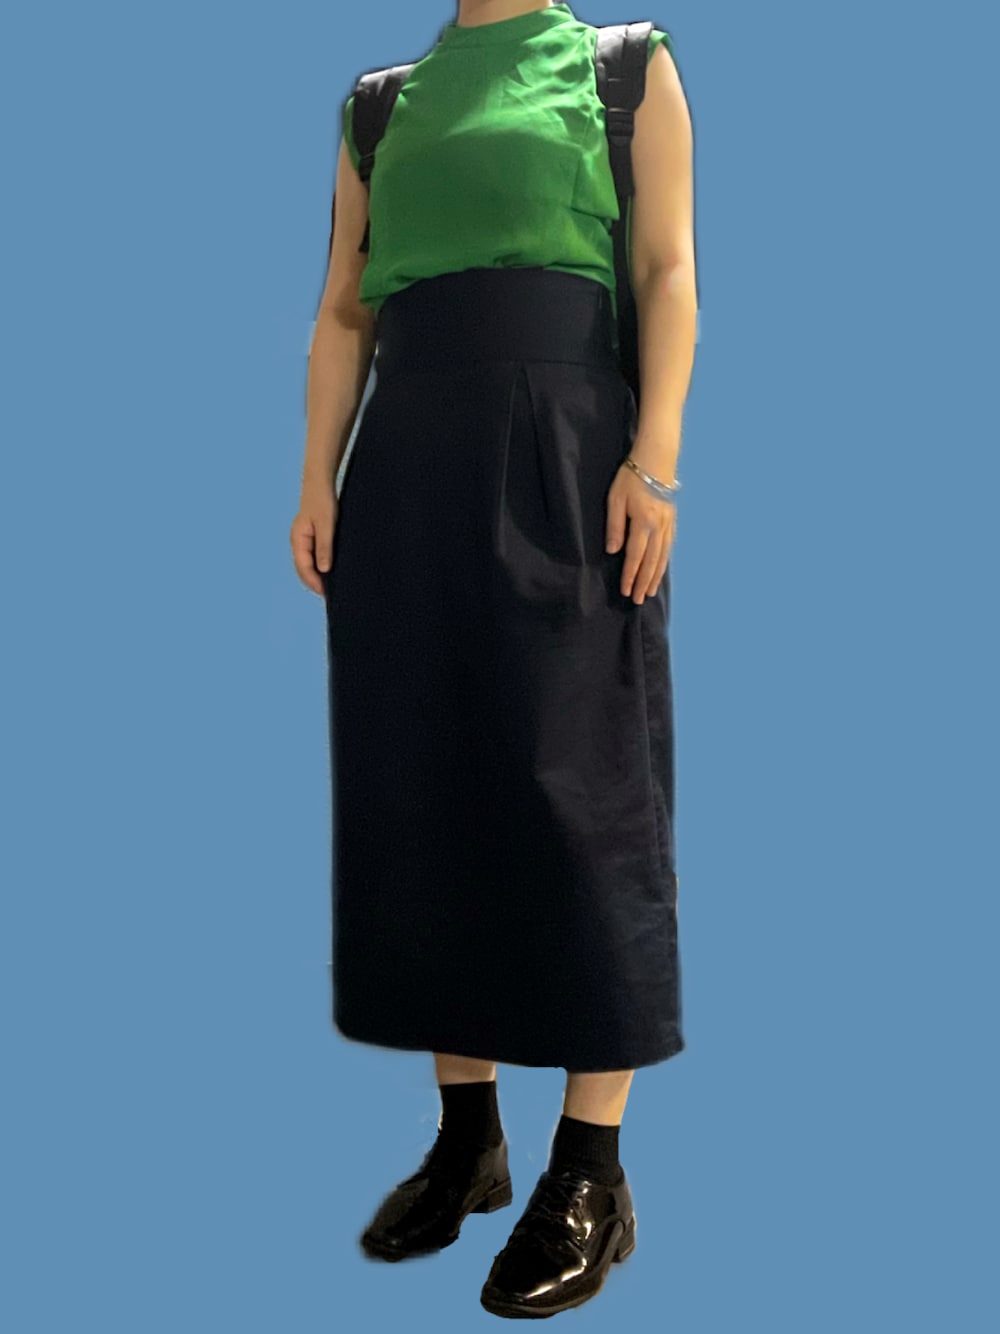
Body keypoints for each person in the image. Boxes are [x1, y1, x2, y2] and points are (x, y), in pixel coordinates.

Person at [290, 0, 696, 1318]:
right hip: (406, 464)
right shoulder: (379, 105)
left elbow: (666, 272)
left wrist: (654, 462)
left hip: (570, 453)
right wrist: (317, 478)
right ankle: (469, 1139)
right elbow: (344, 309)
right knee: (425, 791)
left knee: (581, 786)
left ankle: (591, 1170)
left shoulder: (621, 69)